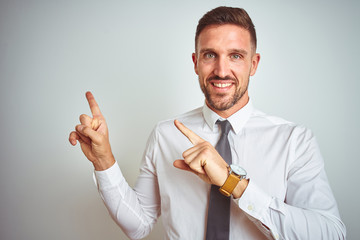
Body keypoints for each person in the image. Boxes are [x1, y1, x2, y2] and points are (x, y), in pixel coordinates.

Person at [69, 6, 346, 240]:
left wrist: (232, 182)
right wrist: (103, 162)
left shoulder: (294, 140)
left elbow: (331, 233)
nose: (221, 70)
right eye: (210, 55)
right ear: (195, 62)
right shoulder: (165, 134)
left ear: (254, 64)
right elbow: (139, 224)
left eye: (235, 56)